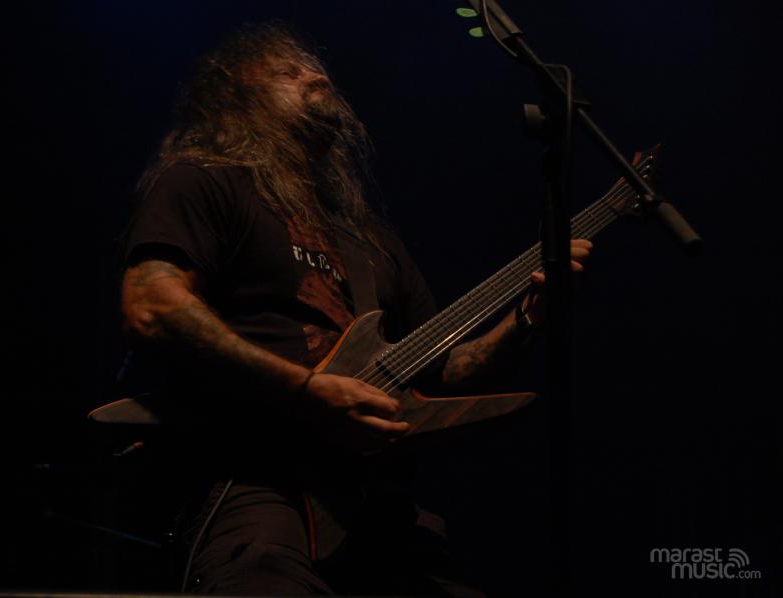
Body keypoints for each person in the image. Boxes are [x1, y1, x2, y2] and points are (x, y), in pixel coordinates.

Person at [119, 23, 592, 596]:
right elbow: (153, 305)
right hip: (255, 483)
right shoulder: (206, 182)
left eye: (315, 68)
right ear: (238, 98)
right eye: (288, 71)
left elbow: (442, 372)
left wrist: (526, 319)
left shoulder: (368, 240)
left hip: (377, 507)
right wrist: (304, 389)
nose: (316, 75)